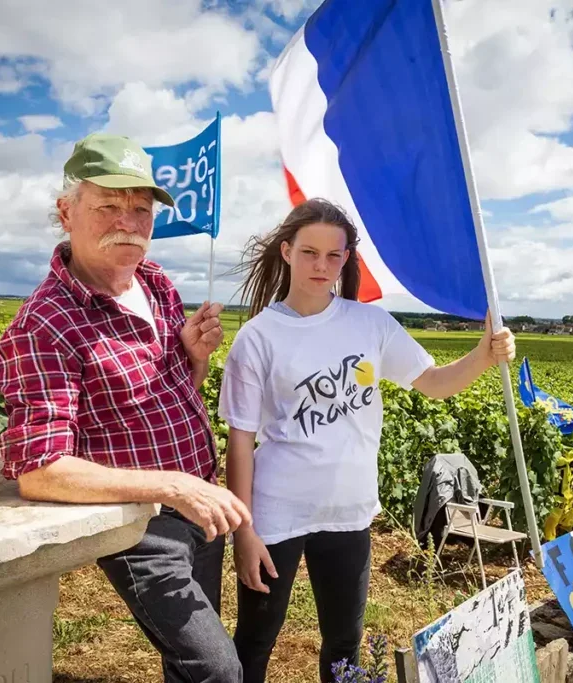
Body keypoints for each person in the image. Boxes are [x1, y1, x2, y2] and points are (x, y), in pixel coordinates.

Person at [218, 199, 517, 683]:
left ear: (346, 261)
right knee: (256, 639)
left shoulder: (371, 325)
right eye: (310, 252)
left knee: (344, 644)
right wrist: (244, 530)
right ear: (287, 251)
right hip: (276, 514)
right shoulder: (258, 338)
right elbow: (240, 441)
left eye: (333, 256)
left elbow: (435, 383)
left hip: (349, 513)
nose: (321, 266)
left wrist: (483, 354)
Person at [0, 134, 249, 683]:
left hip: (199, 504)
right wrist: (175, 487)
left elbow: (175, 392)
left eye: (140, 208)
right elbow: (40, 471)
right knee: (217, 669)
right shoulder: (45, 325)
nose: (128, 222)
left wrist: (195, 358)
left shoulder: (155, 283)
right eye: (108, 205)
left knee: (188, 662)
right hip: (142, 523)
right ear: (66, 211)